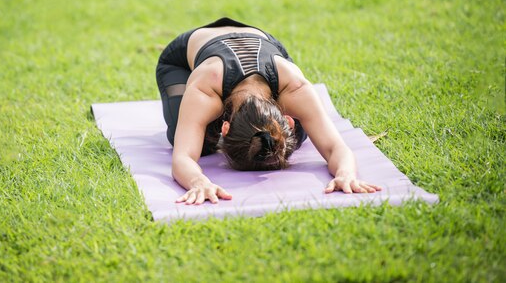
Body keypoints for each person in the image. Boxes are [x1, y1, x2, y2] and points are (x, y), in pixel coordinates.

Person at [156, 17, 381, 205]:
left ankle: (264, 138)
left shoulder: (295, 87)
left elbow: (336, 148)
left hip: (263, 42)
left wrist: (346, 174)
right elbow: (183, 158)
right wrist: (198, 181)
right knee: (194, 140)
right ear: (224, 127)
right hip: (183, 59)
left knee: (287, 138)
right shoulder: (206, 89)